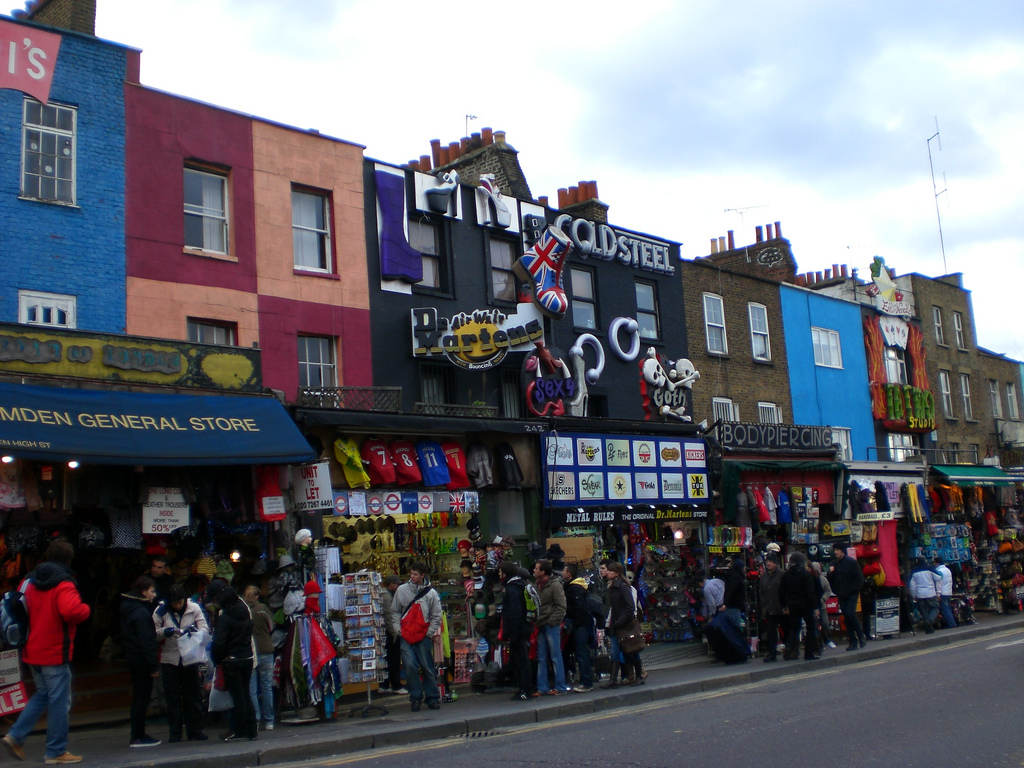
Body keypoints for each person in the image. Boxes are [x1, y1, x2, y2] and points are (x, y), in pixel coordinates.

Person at [2, 540, 90, 765]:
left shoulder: (29, 579)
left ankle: (15, 736)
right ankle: (55, 751)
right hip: (53, 651)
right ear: (68, 560)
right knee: (60, 701)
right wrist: (86, 609)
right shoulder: (64, 583)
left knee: (42, 694)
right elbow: (71, 612)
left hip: (31, 647)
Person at [154, 583, 209, 742]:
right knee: (172, 698)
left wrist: (194, 632)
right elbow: (153, 633)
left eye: (180, 602)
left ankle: (196, 731)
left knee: (193, 696)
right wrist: (165, 632)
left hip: (190, 657)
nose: (178, 605)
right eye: (175, 603)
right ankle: (175, 732)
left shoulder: (194, 607)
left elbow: (205, 628)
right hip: (169, 658)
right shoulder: (161, 610)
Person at [205, 580, 257, 742]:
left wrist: (217, 658)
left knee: (238, 696)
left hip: (232, 659)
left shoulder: (225, 617)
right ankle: (252, 729)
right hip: (247, 657)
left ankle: (241, 729)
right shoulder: (244, 610)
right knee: (246, 694)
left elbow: (219, 642)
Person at [392, 562, 442, 711]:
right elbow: (395, 611)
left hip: (422, 635)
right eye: (411, 574)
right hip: (406, 635)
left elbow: (437, 615)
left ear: (422, 576)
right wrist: (398, 630)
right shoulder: (401, 590)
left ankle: (432, 697)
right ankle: (415, 697)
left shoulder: (431, 593)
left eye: (415, 574)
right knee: (410, 666)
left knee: (427, 667)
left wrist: (429, 633)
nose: (412, 577)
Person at [121, 576, 162, 748]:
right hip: (141, 660)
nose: (154, 595)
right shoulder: (141, 613)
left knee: (139, 696)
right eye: (152, 591)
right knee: (142, 697)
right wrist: (153, 665)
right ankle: (138, 735)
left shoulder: (127, 607)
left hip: (132, 657)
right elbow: (146, 641)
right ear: (144, 592)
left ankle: (137, 733)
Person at [532, 559, 570, 695]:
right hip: (540, 623)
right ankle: (542, 687)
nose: (534, 571)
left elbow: (561, 606)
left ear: (543, 572)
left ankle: (560, 686)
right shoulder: (537, 585)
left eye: (537, 569)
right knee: (541, 657)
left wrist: (552, 621)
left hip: (550, 624)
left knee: (555, 656)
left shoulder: (554, 585)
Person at [603, 562, 643, 687]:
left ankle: (639, 676)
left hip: (624, 625)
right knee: (615, 652)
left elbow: (630, 607)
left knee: (631, 650)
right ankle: (613, 679)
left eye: (610, 570)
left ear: (617, 572)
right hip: (616, 625)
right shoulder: (612, 587)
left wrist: (620, 622)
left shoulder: (623, 586)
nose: (607, 572)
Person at [243, 585, 276, 731]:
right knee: (266, 687)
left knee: (252, 689)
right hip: (266, 649)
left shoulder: (244, 611)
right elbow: (271, 626)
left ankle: (255, 719)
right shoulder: (262, 609)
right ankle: (269, 720)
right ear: (257, 596)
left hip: (251, 651)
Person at [499, 560, 533, 701]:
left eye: (500, 572)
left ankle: (525, 689)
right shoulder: (518, 585)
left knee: (521, 660)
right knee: (519, 660)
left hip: (518, 631)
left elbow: (514, 613)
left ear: (505, 573)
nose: (499, 574)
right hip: (521, 629)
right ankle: (523, 687)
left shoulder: (512, 589)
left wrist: (512, 633)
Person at [778, 552, 819, 661]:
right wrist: (815, 607)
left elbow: (781, 592)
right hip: (806, 605)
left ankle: (789, 650)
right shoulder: (806, 575)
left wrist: (784, 606)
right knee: (810, 628)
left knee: (794, 628)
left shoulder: (786, 575)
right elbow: (810, 592)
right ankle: (809, 653)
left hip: (792, 605)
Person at [562, 563, 595, 692]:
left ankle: (586, 682)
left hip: (580, 626)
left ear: (569, 574)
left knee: (581, 654)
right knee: (577, 653)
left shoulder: (575, 588)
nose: (562, 573)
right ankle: (582, 679)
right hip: (578, 625)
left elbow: (579, 608)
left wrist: (573, 623)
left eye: (564, 571)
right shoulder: (572, 587)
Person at [828, 547, 867, 650]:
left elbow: (859, 578)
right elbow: (831, 580)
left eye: (838, 549)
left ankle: (861, 636)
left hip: (852, 593)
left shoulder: (851, 562)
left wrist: (854, 590)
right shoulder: (834, 563)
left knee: (850, 614)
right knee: (846, 617)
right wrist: (830, 573)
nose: (836, 552)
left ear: (842, 551)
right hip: (841, 594)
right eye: (835, 550)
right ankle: (853, 642)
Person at [379, 575, 407, 695]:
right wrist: (395, 633)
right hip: (390, 633)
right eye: (396, 584)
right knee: (393, 659)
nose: (398, 586)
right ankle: (396, 685)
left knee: (386, 659)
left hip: (385, 633)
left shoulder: (386, 595)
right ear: (390, 584)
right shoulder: (386, 597)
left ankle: (384, 684)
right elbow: (389, 617)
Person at [758, 553, 784, 662]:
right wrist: (764, 606)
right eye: (767, 561)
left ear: (775, 563)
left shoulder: (782, 575)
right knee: (771, 632)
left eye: (770, 561)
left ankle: (791, 650)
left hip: (782, 609)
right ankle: (772, 654)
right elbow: (761, 592)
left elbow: (786, 591)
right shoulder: (764, 576)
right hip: (770, 609)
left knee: (787, 630)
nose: (768, 563)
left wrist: (785, 605)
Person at [908, 558, 940, 634]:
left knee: (923, 610)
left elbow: (912, 585)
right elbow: (938, 577)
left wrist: (914, 595)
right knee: (935, 608)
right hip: (930, 593)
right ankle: (930, 621)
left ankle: (928, 627)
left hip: (920, 594)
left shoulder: (914, 571)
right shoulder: (929, 568)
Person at [810, 561, 836, 648]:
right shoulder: (809, 580)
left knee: (825, 623)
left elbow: (828, 591)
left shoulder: (823, 580)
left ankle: (828, 640)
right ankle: (819, 643)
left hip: (822, 606)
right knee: (814, 626)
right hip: (813, 607)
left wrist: (823, 599)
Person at [722, 557, 747, 631]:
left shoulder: (732, 575)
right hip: (734, 606)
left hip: (733, 606)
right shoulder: (736, 578)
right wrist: (725, 603)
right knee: (735, 628)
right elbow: (730, 590)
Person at [933, 556, 958, 629]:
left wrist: (938, 593)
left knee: (945, 609)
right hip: (948, 592)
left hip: (943, 593)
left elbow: (939, 583)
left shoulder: (939, 571)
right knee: (948, 608)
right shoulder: (947, 570)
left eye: (934, 563)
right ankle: (951, 622)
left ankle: (952, 623)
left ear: (937, 563)